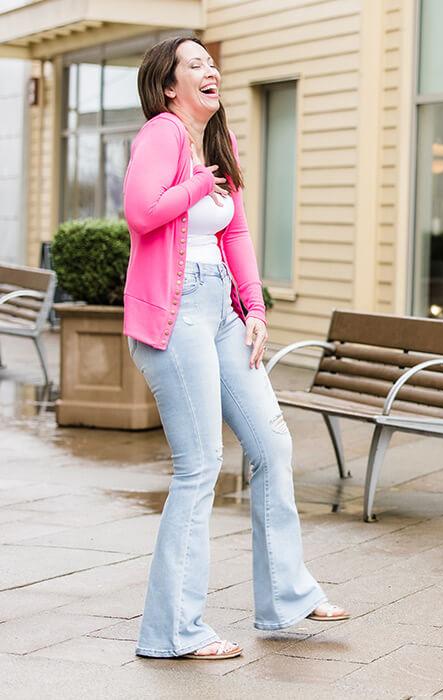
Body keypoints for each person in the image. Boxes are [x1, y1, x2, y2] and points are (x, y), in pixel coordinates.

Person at [124, 37, 347, 660]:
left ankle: (287, 599)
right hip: (176, 315)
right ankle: (173, 632)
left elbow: (237, 230)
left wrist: (254, 307)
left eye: (211, 63)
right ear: (170, 85)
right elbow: (142, 213)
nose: (210, 70)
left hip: (221, 309)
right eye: (195, 65)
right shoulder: (162, 135)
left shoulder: (219, 142)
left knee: (273, 444)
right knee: (198, 467)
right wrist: (198, 184)